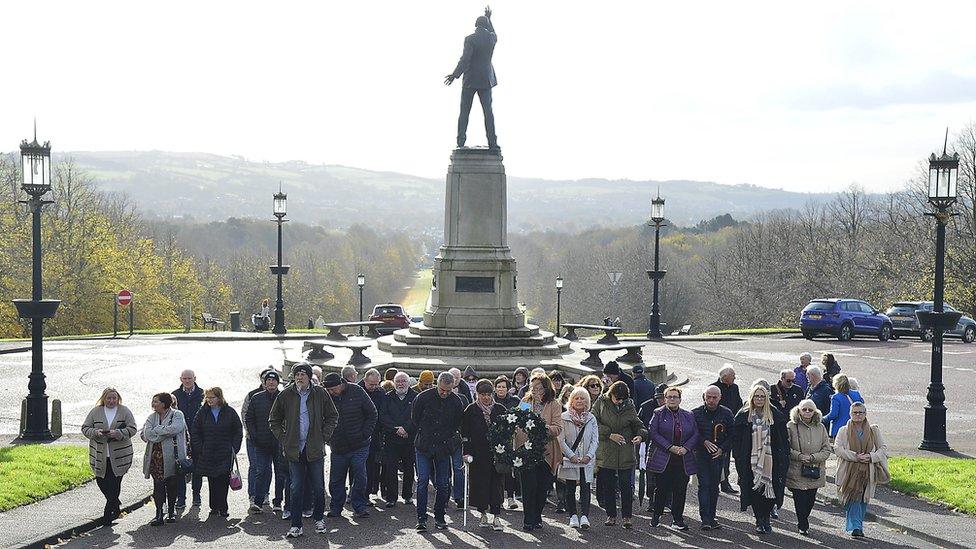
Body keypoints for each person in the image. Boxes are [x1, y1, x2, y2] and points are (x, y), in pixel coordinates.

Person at [270, 362, 339, 538]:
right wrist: (283, 438)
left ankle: (318, 519)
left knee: (318, 485)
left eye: (302, 374)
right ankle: (296, 525)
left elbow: (332, 415)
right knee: (296, 487)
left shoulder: (320, 393)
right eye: (296, 374)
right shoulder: (286, 394)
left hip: (314, 447)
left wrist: (324, 436)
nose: (299, 377)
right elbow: (274, 419)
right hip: (294, 449)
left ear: (309, 376)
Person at [732, 384, 789, 534]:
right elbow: (736, 439)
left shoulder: (775, 414)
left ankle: (766, 518)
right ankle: (759, 519)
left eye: (762, 396)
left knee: (771, 491)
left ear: (767, 398)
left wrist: (784, 457)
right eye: (756, 396)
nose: (759, 399)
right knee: (755, 492)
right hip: (750, 461)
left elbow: (783, 439)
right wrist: (738, 456)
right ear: (752, 397)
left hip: (772, 461)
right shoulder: (743, 415)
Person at [412, 372, 464, 532]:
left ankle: (440, 516)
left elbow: (457, 424)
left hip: (443, 447)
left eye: (448, 391)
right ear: (437, 384)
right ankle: (421, 518)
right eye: (442, 390)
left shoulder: (456, 402)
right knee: (422, 481)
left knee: (443, 484)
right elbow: (415, 419)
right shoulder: (423, 398)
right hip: (424, 445)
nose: (445, 393)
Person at [592, 380, 647, 528]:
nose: (619, 402)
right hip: (606, 450)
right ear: (611, 395)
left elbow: (639, 425)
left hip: (625, 452)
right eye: (617, 398)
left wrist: (640, 436)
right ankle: (611, 515)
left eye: (622, 399)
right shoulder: (601, 402)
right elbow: (592, 422)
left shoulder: (629, 405)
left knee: (626, 487)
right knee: (608, 486)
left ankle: (627, 517)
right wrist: (609, 434)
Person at [323, 372, 377, 519]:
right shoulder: (326, 397)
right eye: (328, 390)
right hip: (338, 446)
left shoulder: (357, 391)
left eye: (333, 389)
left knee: (360, 474)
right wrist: (328, 438)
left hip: (359, 444)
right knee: (336, 478)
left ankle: (359, 506)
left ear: (340, 384)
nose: (331, 392)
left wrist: (364, 433)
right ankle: (336, 507)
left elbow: (372, 413)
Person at [646, 386, 700, 531]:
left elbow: (695, 434)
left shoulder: (689, 415)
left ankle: (678, 519)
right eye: (669, 397)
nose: (671, 399)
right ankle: (656, 516)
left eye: (674, 397)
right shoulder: (657, 413)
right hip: (664, 458)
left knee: (680, 490)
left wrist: (686, 448)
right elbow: (653, 433)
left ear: (680, 399)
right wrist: (670, 447)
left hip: (682, 459)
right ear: (665, 399)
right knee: (662, 489)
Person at [444, 7, 498, 149]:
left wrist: (455, 75)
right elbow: (493, 32)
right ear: (486, 25)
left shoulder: (470, 39)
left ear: (475, 25)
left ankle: (460, 141)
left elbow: (465, 59)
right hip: (486, 79)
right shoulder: (491, 38)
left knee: (464, 112)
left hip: (470, 80)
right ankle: (493, 143)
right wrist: (489, 19)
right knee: (488, 112)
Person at [81, 387, 137, 524]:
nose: (111, 401)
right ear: (103, 399)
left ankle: (107, 515)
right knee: (102, 482)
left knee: (115, 482)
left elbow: (133, 428)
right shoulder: (95, 412)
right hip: (100, 455)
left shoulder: (124, 411)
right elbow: (85, 428)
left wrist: (119, 433)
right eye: (108, 398)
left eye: (114, 398)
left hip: (119, 456)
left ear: (118, 399)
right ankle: (115, 504)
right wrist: (96, 432)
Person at [515, 372, 563, 531]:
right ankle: (528, 519)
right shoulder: (525, 401)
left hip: (546, 451)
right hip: (526, 450)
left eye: (539, 388)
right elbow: (518, 423)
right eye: (533, 387)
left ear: (546, 388)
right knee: (529, 486)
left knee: (542, 487)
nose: (535, 391)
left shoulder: (553, 404)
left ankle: (537, 516)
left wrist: (540, 426)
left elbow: (557, 428)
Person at [835, 402, 889, 538]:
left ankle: (857, 525)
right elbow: (838, 449)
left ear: (865, 414)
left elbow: (883, 449)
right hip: (849, 470)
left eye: (860, 412)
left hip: (868, 470)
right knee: (853, 497)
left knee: (863, 499)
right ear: (850, 414)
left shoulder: (873, 430)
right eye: (855, 413)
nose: (858, 415)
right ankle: (857, 527)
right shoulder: (843, 430)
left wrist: (871, 457)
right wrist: (855, 457)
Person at [460, 380, 506, 530]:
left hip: (496, 453)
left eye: (488, 394)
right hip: (478, 454)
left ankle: (497, 516)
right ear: (477, 394)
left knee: (497, 485)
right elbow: (465, 434)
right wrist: (466, 453)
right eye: (482, 394)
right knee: (480, 485)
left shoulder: (500, 409)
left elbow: (508, 431)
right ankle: (483, 514)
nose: (486, 398)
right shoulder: (470, 410)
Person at [191, 387, 243, 518]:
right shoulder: (203, 412)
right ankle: (214, 506)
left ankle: (223, 507)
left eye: (212, 397)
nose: (209, 400)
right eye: (207, 397)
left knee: (223, 479)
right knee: (212, 479)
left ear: (219, 397)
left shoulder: (229, 412)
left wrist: (234, 447)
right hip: (208, 452)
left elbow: (238, 429)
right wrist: (200, 448)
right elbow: (195, 431)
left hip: (225, 451)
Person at [786, 399, 832, 536]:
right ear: (798, 410)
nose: (807, 412)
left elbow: (826, 450)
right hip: (796, 469)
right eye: (804, 409)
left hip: (814, 470)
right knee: (799, 499)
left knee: (810, 500)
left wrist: (812, 457)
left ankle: (803, 519)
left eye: (810, 410)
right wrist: (799, 456)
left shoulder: (821, 427)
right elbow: (785, 447)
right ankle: (803, 524)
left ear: (815, 412)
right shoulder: (791, 426)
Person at [691, 386, 734, 531]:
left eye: (714, 397)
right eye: (708, 397)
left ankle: (711, 516)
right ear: (704, 396)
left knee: (714, 487)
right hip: (701, 455)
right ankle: (705, 518)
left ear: (720, 398)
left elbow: (732, 436)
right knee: (704, 485)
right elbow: (691, 433)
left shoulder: (727, 413)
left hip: (718, 456)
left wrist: (722, 449)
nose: (711, 400)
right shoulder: (695, 413)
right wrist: (703, 441)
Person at [141, 392, 187, 526]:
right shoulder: (151, 417)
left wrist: (157, 430)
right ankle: (159, 513)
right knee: (158, 486)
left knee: (172, 484)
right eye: (153, 401)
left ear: (164, 403)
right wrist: (162, 432)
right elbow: (147, 433)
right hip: (155, 457)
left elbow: (176, 429)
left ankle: (171, 511)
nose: (153, 404)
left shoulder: (177, 414)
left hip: (173, 456)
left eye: (156, 401)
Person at [558, 386, 599, 530]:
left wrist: (589, 455)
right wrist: (571, 455)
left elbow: (595, 439)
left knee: (585, 487)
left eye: (582, 398)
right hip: (571, 458)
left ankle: (584, 517)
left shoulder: (591, 418)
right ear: (571, 400)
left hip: (586, 459)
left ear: (587, 401)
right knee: (570, 488)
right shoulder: (564, 417)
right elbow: (560, 440)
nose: (579, 401)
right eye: (576, 398)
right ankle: (573, 516)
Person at [244, 370, 284, 514]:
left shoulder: (284, 397)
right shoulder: (256, 398)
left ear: (278, 382)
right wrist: (255, 436)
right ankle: (258, 502)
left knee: (281, 473)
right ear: (264, 382)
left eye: (273, 380)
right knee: (261, 472)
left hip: (280, 443)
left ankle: (278, 501)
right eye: (268, 380)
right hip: (261, 443)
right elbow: (249, 418)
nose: (271, 383)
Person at [379, 372, 416, 507]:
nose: (401, 384)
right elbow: (383, 416)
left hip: (409, 439)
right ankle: (391, 497)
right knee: (390, 469)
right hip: (392, 439)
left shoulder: (415, 397)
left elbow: (416, 417)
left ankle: (407, 495)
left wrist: (406, 429)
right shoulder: (387, 397)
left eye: (403, 381)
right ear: (394, 383)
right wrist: (396, 429)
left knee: (409, 469)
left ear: (408, 382)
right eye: (398, 381)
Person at [172, 370, 204, 509]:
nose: (187, 381)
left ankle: (196, 495)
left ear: (194, 378)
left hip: (197, 436)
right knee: (180, 469)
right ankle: (181, 498)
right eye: (184, 378)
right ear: (181, 379)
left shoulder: (203, 394)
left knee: (197, 468)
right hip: (180, 437)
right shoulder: (174, 395)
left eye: (189, 378)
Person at [242, 368, 273, 510]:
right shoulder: (252, 395)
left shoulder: (279, 395)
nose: (269, 381)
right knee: (255, 467)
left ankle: (265, 493)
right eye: (265, 378)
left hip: (272, 439)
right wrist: (252, 433)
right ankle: (253, 495)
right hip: (253, 438)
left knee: (268, 468)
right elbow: (245, 415)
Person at [636, 382, 667, 510]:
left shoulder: (675, 409)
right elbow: (638, 425)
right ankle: (651, 501)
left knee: (666, 477)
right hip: (650, 446)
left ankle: (666, 502)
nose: (661, 401)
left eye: (663, 398)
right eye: (658, 398)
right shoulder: (646, 407)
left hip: (668, 448)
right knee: (651, 477)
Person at [359, 369, 387, 504]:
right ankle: (355, 492)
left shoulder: (380, 392)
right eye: (371, 384)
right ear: (365, 380)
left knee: (371, 466)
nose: (374, 387)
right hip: (358, 434)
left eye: (377, 384)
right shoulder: (357, 390)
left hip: (375, 435)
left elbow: (382, 413)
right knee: (357, 466)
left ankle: (366, 494)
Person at [492, 376, 520, 509]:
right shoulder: (490, 400)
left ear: (508, 389)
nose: (501, 389)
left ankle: (510, 497)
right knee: (497, 469)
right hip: (495, 439)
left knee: (509, 470)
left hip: (511, 438)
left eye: (503, 387)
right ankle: (498, 498)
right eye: (498, 387)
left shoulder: (515, 400)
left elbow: (525, 411)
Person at [823, 374, 864, 439]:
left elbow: (833, 414)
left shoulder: (836, 397)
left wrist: (823, 419)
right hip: (856, 427)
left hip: (839, 429)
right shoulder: (856, 393)